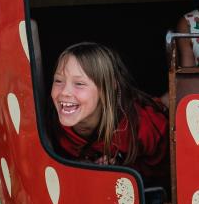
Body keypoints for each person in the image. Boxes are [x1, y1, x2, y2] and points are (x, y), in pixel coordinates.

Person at [50, 42, 169, 185]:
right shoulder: (51, 125)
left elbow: (167, 173)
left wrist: (124, 168)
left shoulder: (141, 126)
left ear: (107, 88)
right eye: (58, 81)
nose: (64, 92)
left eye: (79, 84)